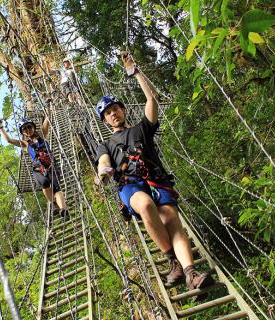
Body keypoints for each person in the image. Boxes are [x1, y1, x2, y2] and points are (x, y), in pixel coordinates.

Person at [94, 52, 214, 291]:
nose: (113, 114)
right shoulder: (105, 144)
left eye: (115, 108)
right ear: (105, 121)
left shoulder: (142, 129)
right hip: (130, 186)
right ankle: (173, 262)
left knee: (172, 221)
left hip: (156, 179)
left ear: (123, 110)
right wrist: (103, 172)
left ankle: (190, 274)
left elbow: (152, 100)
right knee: (146, 205)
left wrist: (135, 71)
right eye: (107, 113)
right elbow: (104, 162)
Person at [0, 114, 68, 218]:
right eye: (24, 129)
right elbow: (9, 140)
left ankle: (63, 209)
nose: (27, 130)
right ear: (23, 133)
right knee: (44, 183)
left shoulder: (42, 135)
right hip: (38, 168)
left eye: (29, 127)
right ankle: (53, 203)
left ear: (33, 127)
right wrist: (1, 128)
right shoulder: (25, 144)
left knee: (57, 188)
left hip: (51, 165)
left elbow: (47, 121)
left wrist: (47, 108)